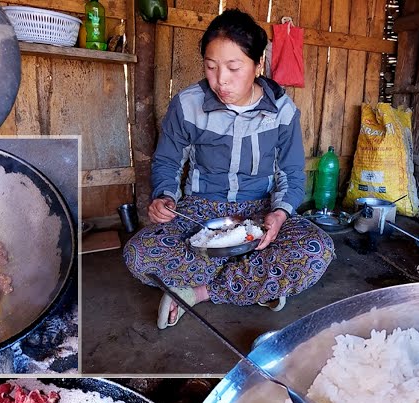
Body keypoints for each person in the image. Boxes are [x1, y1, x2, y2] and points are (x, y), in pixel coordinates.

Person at [123, 9, 334, 329]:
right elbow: (168, 160)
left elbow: (292, 175)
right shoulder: (187, 104)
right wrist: (164, 197)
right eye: (211, 66)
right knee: (138, 256)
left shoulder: (282, 112)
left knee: (318, 250)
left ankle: (198, 292)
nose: (220, 79)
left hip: (259, 212)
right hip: (199, 212)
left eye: (233, 67)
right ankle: (256, 282)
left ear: (258, 64)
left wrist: (278, 216)